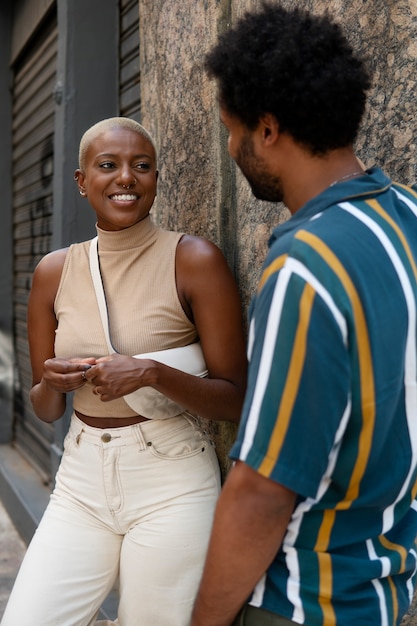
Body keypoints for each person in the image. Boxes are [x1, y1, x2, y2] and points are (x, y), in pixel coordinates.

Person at [191, 4, 417, 626]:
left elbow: (263, 489)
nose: (231, 147)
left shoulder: (307, 268)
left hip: (306, 599)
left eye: (231, 129)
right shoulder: (408, 216)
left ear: (267, 129)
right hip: (386, 584)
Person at [1, 117, 247, 626]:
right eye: (108, 166)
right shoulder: (53, 272)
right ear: (81, 180)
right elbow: (44, 409)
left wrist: (151, 373)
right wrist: (54, 382)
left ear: (156, 177)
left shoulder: (194, 260)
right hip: (80, 480)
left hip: (171, 478)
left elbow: (237, 400)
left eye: (142, 166)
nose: (125, 178)